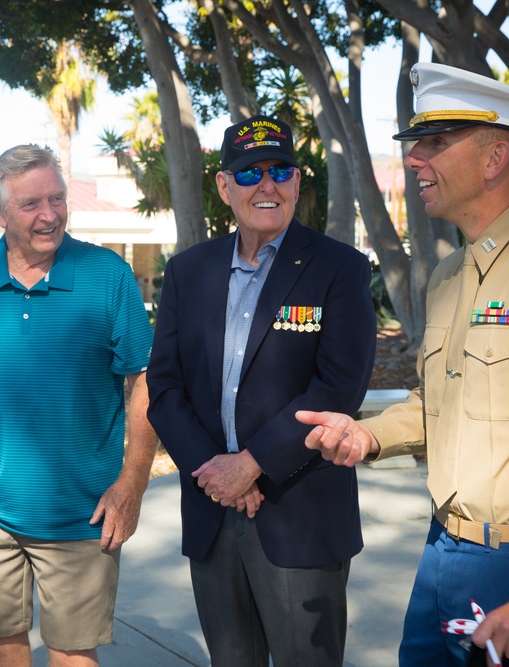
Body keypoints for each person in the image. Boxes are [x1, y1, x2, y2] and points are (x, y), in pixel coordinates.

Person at [297, 62, 509, 667]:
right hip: (445, 555)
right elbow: (435, 406)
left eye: (435, 143)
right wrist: (365, 434)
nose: (416, 158)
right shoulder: (450, 275)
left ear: (495, 157)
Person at [145, 115, 377, 666]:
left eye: (280, 170)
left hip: (299, 514)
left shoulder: (339, 269)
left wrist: (251, 464)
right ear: (225, 188)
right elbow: (164, 386)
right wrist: (216, 472)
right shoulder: (187, 271)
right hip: (212, 508)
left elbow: (339, 386)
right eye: (249, 173)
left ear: (297, 182)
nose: (266, 185)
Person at [0, 144, 157, 667]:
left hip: (82, 507)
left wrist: (133, 479)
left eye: (57, 198)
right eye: (30, 204)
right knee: (3, 645)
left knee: (74, 651)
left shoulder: (108, 275)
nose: (49, 215)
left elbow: (145, 379)